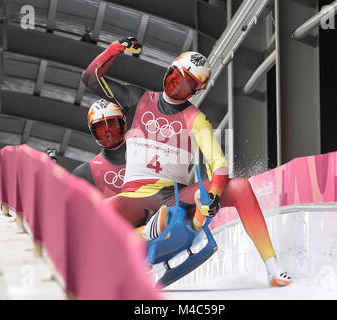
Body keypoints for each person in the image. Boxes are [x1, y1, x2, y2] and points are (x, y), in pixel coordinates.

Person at [79, 37, 292, 287]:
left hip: (175, 196)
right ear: (168, 72)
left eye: (185, 85)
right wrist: (116, 48)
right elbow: (90, 79)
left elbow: (218, 163)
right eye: (175, 78)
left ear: (194, 91)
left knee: (241, 187)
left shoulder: (195, 118)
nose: (177, 86)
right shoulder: (138, 99)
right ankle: (144, 234)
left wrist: (213, 193)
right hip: (136, 197)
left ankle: (273, 267)